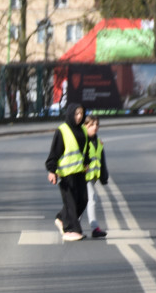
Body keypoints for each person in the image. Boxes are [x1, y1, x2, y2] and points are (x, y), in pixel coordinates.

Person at [45, 102, 90, 242]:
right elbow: (54, 153)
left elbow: (85, 149)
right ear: (70, 114)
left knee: (83, 200)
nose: (79, 116)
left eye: (81, 113)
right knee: (71, 203)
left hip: (79, 172)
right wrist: (51, 171)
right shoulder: (62, 131)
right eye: (76, 113)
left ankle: (61, 218)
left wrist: (86, 162)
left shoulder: (83, 130)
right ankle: (71, 230)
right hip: (65, 174)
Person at [82, 115, 109, 239]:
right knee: (91, 199)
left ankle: (73, 226)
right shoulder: (82, 140)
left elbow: (102, 159)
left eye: (97, 124)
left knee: (82, 202)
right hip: (82, 176)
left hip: (92, 177)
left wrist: (104, 176)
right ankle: (94, 228)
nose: (95, 127)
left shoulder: (98, 141)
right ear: (85, 126)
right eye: (91, 125)